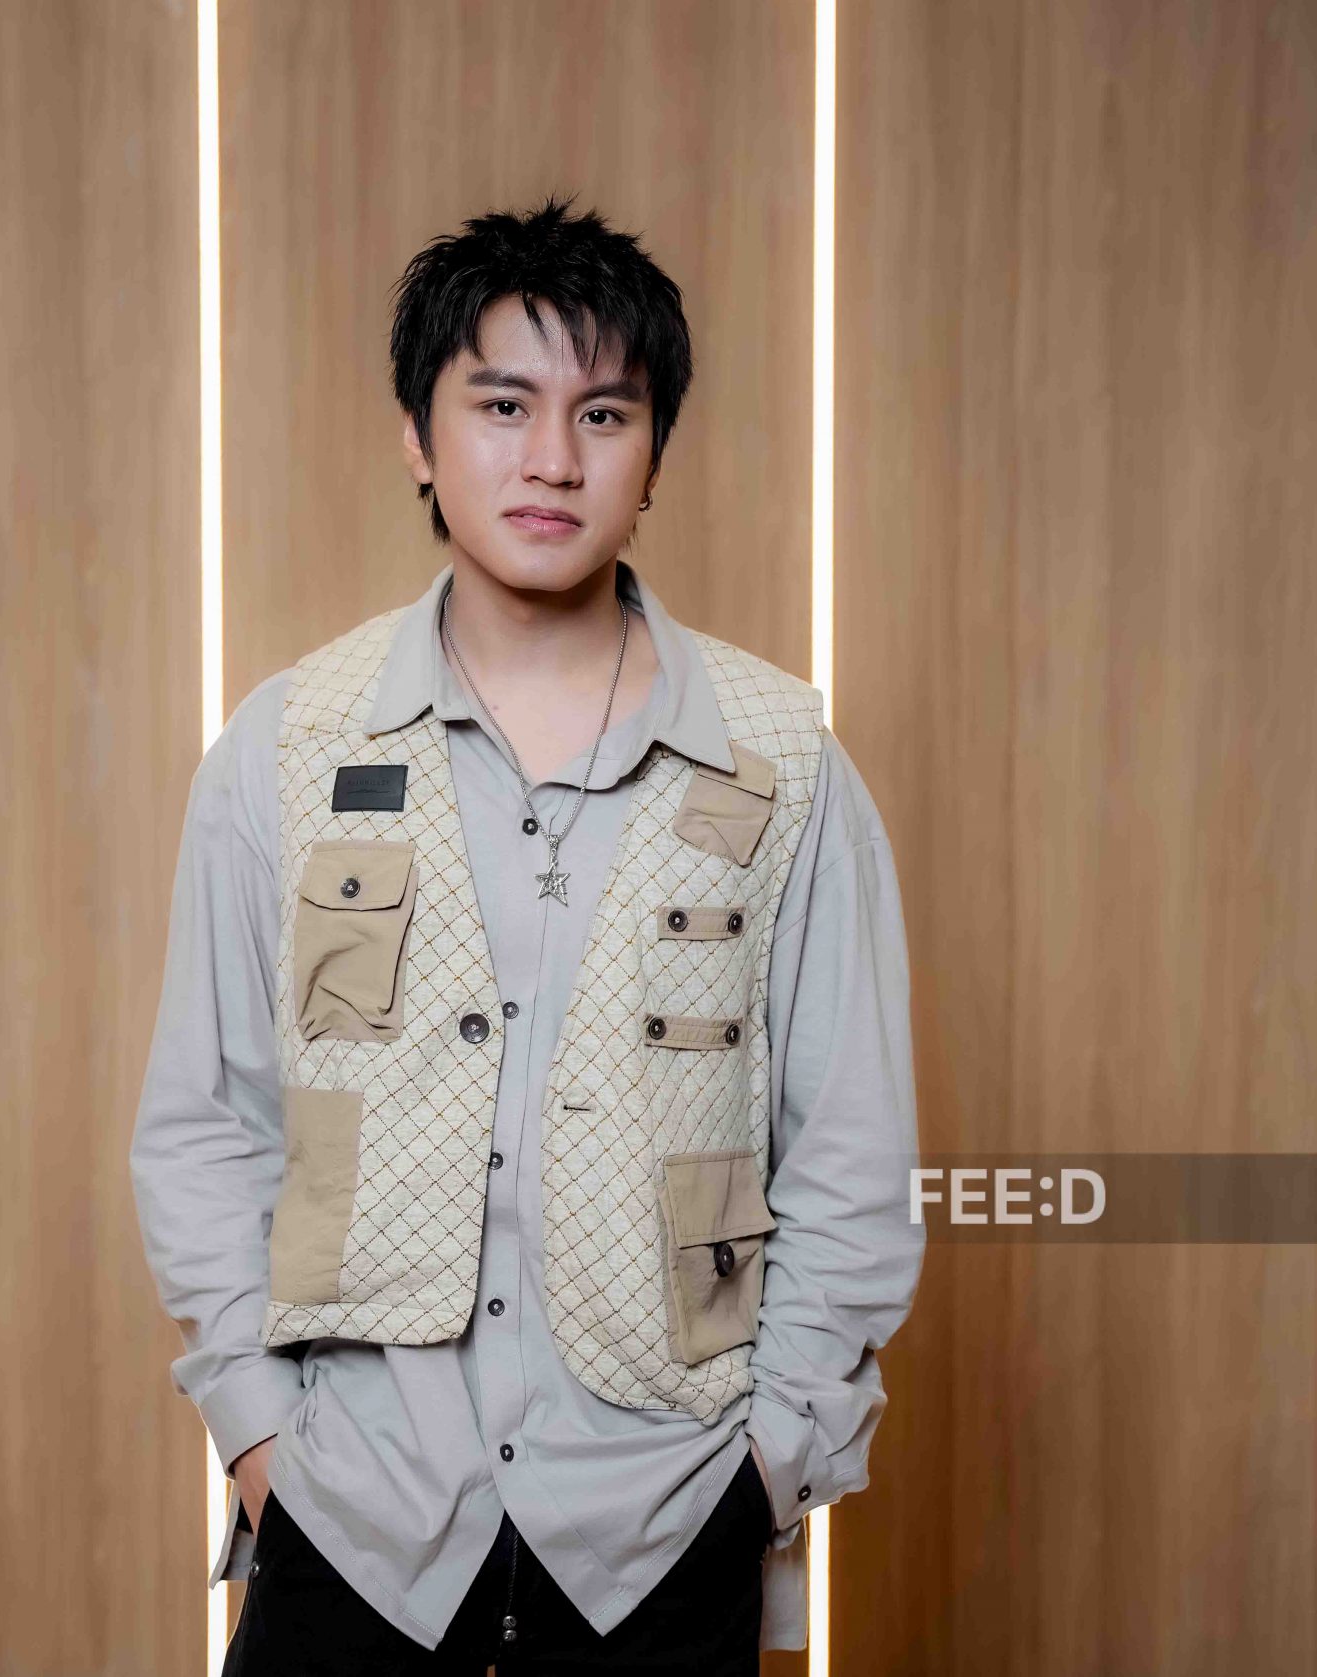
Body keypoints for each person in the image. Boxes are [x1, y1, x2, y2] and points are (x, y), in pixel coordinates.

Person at [130, 196, 922, 1674]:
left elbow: (851, 1157)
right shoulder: (287, 747)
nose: (553, 457)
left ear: (653, 455)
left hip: (663, 1531)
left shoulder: (785, 767)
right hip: (352, 1520)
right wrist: (259, 1441)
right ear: (418, 437)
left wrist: (767, 1465)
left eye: (602, 414)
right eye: (502, 405)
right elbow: (205, 1124)